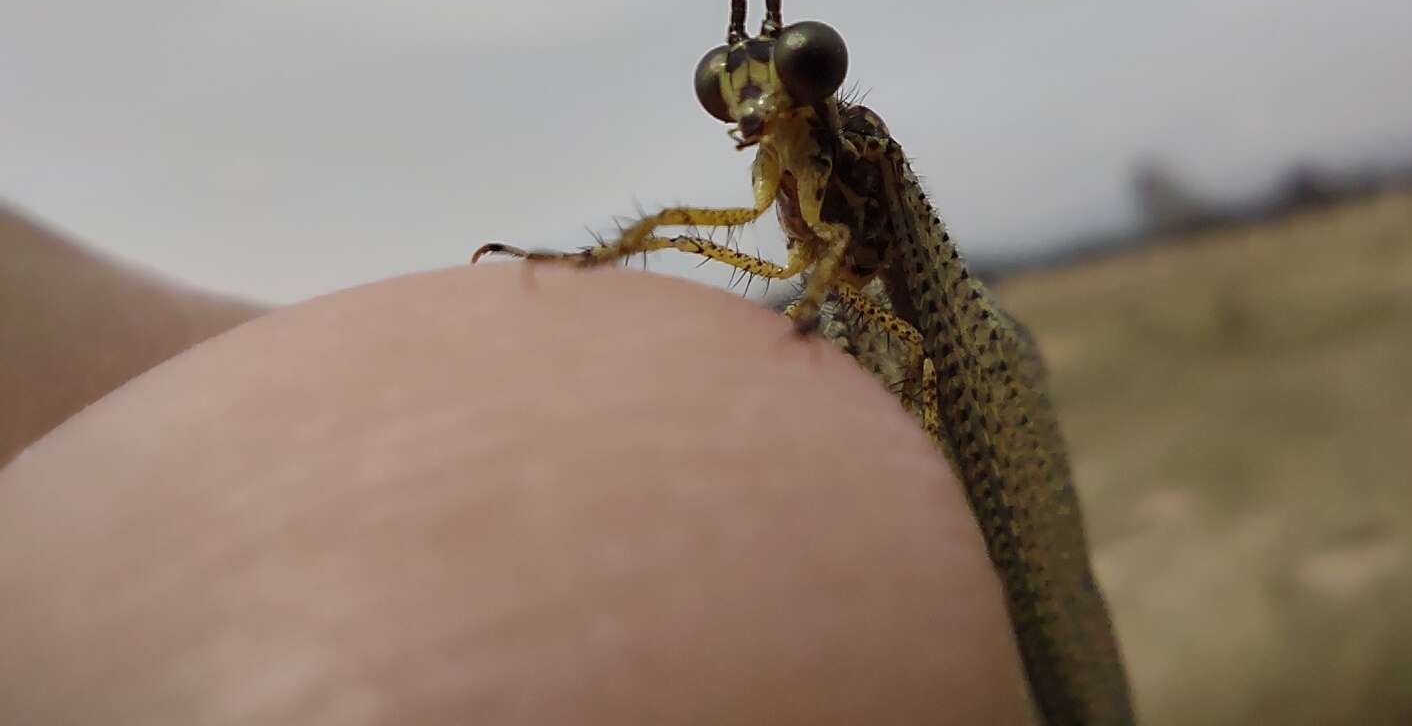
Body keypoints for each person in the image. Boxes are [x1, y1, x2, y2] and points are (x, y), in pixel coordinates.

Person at [0, 208, 1033, 723]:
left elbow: (841, 284)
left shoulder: (859, 181)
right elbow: (732, 243)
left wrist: (807, 309)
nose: (752, 101)